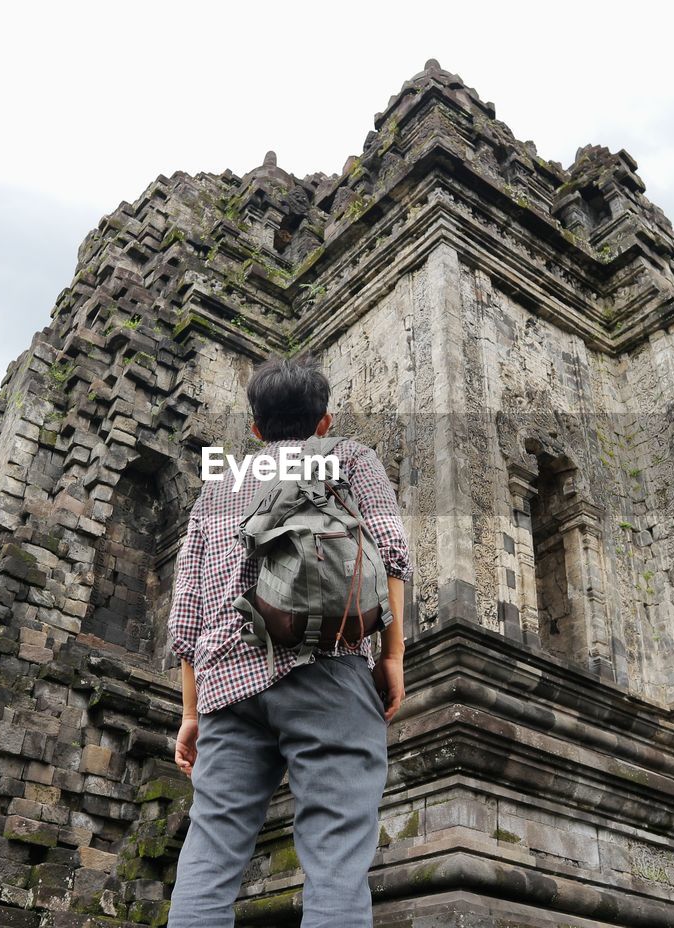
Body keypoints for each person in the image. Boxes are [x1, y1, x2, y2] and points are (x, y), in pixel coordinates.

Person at [165, 351, 412, 928]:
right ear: (324, 421)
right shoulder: (350, 458)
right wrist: (393, 656)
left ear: (254, 429)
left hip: (226, 686)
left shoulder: (221, 483)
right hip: (327, 666)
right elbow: (392, 558)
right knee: (334, 858)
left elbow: (188, 612)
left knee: (210, 853)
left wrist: (190, 712)